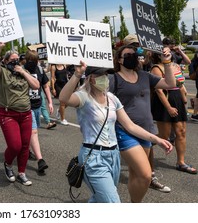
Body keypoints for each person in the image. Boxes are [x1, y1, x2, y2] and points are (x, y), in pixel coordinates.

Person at [59, 62, 173, 203]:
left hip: (113, 156)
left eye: (107, 75)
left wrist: (157, 140)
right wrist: (77, 74)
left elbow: (130, 126)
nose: (106, 78)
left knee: (99, 199)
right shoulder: (83, 97)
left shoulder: (112, 98)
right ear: (91, 78)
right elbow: (63, 99)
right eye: (101, 75)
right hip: (94, 157)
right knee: (112, 202)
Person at [109, 45, 175, 202]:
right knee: (145, 175)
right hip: (125, 131)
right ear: (119, 59)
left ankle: (133, 203)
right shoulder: (114, 79)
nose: (132, 57)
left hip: (146, 131)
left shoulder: (145, 76)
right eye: (127, 55)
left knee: (136, 173)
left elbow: (170, 84)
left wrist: (167, 62)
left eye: (134, 54)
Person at [0, 42, 40, 186]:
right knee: (15, 145)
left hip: (25, 114)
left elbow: (36, 85)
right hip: (8, 114)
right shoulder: (2, 73)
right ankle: (8, 164)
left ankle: (22, 173)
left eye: (17, 60)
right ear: (5, 61)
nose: (15, 62)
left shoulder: (24, 72)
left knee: (25, 145)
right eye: (12, 60)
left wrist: (23, 72)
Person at [150, 52, 197, 174]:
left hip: (177, 99)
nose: (167, 55)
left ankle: (181, 162)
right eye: (164, 54)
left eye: (169, 54)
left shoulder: (176, 66)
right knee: (164, 136)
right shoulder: (156, 68)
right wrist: (169, 107)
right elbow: (159, 90)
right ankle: (145, 143)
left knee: (181, 132)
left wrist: (184, 98)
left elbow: (181, 85)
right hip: (164, 101)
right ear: (159, 55)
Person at [24, 50, 54, 173]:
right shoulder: (21, 70)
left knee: (31, 132)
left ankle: (26, 150)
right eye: (30, 61)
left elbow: (45, 86)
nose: (33, 63)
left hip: (37, 105)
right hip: (25, 106)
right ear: (26, 60)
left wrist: (50, 102)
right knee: (33, 131)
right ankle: (40, 160)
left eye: (35, 61)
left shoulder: (40, 70)